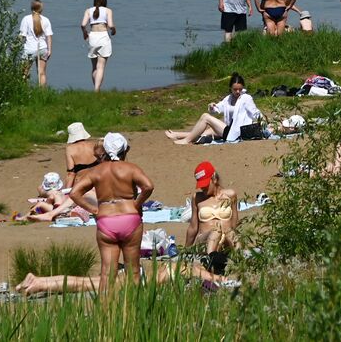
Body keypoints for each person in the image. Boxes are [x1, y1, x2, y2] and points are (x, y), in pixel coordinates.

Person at [68, 132, 153, 293]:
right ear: (124, 150)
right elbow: (148, 186)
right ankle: (134, 311)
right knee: (133, 270)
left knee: (107, 273)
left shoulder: (97, 171)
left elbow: (74, 193)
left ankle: (105, 312)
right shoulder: (130, 168)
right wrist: (136, 203)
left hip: (106, 220)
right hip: (130, 219)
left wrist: (93, 210)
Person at [165, 73, 263, 145]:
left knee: (205, 117)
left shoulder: (246, 98)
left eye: (240, 89)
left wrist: (265, 123)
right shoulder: (228, 98)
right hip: (229, 129)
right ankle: (178, 135)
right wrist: (212, 106)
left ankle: (186, 140)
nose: (238, 91)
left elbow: (255, 112)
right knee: (206, 131)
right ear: (230, 88)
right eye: (235, 89)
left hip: (237, 133)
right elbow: (217, 109)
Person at [185, 161, 239, 274]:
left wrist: (234, 237)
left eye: (205, 184)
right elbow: (193, 227)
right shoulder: (197, 198)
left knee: (230, 233)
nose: (203, 188)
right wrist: (186, 251)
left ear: (214, 179)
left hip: (225, 240)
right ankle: (211, 262)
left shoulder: (230, 195)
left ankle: (240, 262)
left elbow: (234, 224)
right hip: (204, 239)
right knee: (215, 231)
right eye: (201, 186)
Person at [19, 171, 90, 223]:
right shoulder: (64, 192)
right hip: (69, 209)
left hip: (60, 211)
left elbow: (51, 199)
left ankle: (25, 217)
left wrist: (47, 203)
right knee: (42, 204)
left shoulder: (53, 193)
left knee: (40, 204)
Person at [81, 0, 115, 92]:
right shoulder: (108, 11)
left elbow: (83, 24)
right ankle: (96, 90)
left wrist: (84, 33)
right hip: (103, 37)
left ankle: (97, 90)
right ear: (105, 2)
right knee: (101, 66)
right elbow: (111, 25)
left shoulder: (88, 10)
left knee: (94, 67)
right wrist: (114, 30)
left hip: (93, 37)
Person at [19, 0, 53, 87]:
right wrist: (49, 50)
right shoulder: (46, 20)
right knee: (42, 73)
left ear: (31, 8)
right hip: (42, 49)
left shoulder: (26, 19)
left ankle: (24, 92)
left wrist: (17, 46)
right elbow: (49, 36)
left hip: (29, 49)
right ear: (41, 9)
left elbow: (22, 36)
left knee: (24, 73)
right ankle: (43, 93)